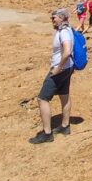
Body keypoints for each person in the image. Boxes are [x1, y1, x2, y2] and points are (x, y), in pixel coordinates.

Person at [30, 8, 74, 144]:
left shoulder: (64, 32)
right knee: (64, 95)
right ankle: (65, 126)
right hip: (68, 68)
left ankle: (47, 133)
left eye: (54, 17)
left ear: (62, 18)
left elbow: (67, 52)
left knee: (42, 98)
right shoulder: (68, 30)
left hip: (60, 70)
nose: (52, 20)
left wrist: (58, 69)